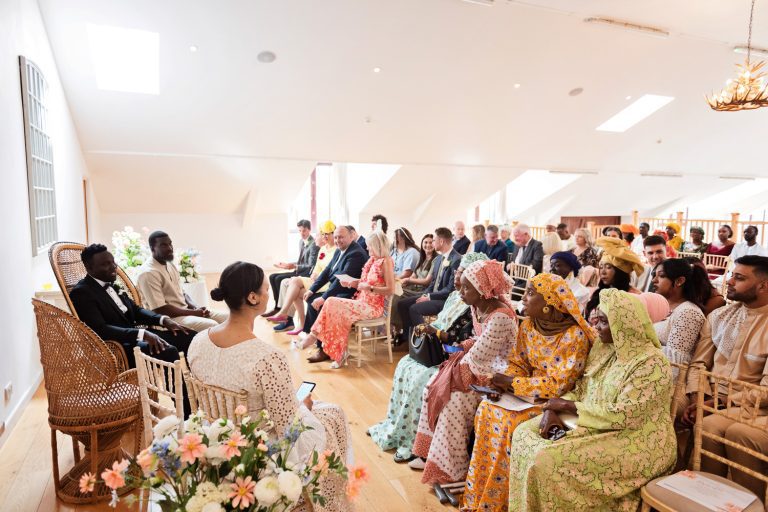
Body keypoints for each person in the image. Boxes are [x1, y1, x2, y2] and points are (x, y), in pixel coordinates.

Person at [187, 262, 352, 512]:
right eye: (266, 289)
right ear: (253, 297)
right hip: (258, 447)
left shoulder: (198, 341)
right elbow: (289, 426)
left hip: (215, 437)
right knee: (333, 414)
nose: (268, 294)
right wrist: (304, 406)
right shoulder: (266, 357)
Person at [509, 289, 675, 511]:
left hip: (635, 439)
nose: (596, 326)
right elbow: (581, 389)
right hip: (592, 423)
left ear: (623, 325)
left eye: (604, 322)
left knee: (546, 459)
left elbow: (627, 415)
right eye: (597, 319)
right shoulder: (604, 348)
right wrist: (551, 410)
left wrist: (568, 406)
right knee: (522, 434)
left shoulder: (651, 363)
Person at [463, 274, 593, 511]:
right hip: (524, 394)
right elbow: (518, 362)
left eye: (531, 292)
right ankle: (481, 497)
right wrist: (501, 385)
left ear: (549, 302)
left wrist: (512, 383)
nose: (523, 297)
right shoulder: (530, 325)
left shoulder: (574, 336)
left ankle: (502, 502)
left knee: (508, 422)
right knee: (485, 408)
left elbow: (558, 385)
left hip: (557, 403)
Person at [368, 252, 489, 463]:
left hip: (453, 356)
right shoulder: (455, 296)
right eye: (457, 271)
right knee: (405, 365)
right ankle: (395, 426)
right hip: (437, 348)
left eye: (460, 273)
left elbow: (462, 340)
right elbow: (442, 323)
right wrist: (430, 331)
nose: (455, 276)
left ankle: (415, 442)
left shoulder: (477, 305)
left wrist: (437, 334)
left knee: (421, 378)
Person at [411, 260, 517, 485]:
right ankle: (428, 452)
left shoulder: (500, 315)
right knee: (432, 386)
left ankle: (453, 468)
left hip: (497, 373)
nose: (461, 291)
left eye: (467, 287)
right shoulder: (478, 306)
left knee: (453, 401)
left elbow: (482, 359)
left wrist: (451, 377)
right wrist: (461, 349)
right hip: (478, 363)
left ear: (483, 289)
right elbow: (479, 343)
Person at [682, 256, 768, 499]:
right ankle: (709, 498)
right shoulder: (720, 316)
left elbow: (765, 391)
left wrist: (717, 403)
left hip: (752, 405)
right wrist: (697, 396)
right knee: (707, 424)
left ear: (763, 285)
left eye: (739, 278)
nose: (728, 281)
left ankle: (746, 503)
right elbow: (699, 363)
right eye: (732, 274)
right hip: (713, 398)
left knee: (722, 428)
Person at [70, 244, 194, 369]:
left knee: (190, 336)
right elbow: (101, 329)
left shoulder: (112, 283)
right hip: (118, 347)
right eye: (105, 264)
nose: (114, 267)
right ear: (89, 268)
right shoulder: (82, 293)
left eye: (113, 262)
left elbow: (136, 310)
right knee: (168, 350)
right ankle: (177, 389)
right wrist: (142, 334)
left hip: (137, 336)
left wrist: (163, 320)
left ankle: (198, 384)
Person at [305, 231, 395, 367]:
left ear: (377, 246)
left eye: (369, 246)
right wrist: (352, 283)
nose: (367, 248)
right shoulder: (372, 260)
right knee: (336, 309)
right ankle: (338, 353)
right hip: (362, 302)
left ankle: (315, 335)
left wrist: (369, 288)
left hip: (373, 307)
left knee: (331, 301)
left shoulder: (386, 262)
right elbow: (364, 282)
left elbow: (390, 289)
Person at [137, 231, 228, 332]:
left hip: (186, 312)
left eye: (170, 244)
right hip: (168, 320)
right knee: (212, 325)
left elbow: (183, 293)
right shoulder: (148, 273)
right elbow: (159, 309)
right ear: (152, 248)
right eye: (163, 245)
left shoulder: (170, 264)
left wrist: (196, 307)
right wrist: (193, 313)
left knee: (229, 317)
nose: (170, 248)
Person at [299, 226, 367, 361]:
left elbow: (340, 279)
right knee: (312, 298)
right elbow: (326, 272)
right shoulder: (339, 250)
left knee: (321, 303)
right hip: (337, 290)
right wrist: (312, 289)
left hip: (349, 293)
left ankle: (324, 349)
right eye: (335, 237)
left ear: (351, 236)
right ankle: (316, 340)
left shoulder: (356, 253)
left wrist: (324, 297)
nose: (337, 240)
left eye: (341, 237)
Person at [651, 259, 708, 413]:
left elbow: (676, 366)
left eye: (661, 276)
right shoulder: (659, 306)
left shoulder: (688, 312)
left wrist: (642, 347)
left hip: (672, 387)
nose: (654, 280)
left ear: (679, 281)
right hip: (649, 374)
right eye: (654, 275)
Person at [268, 221, 337, 333]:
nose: (325, 236)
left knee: (295, 286)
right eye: (323, 233)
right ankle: (299, 323)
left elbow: (330, 271)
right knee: (295, 288)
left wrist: (317, 276)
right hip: (316, 280)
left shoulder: (337, 250)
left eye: (328, 233)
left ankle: (285, 314)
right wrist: (314, 274)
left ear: (334, 234)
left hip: (325, 283)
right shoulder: (323, 249)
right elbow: (317, 266)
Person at [396, 228, 462, 344]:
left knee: (414, 309)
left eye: (434, 240)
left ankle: (426, 342)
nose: (432, 243)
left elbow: (450, 290)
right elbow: (432, 283)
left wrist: (429, 297)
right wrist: (426, 294)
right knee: (402, 304)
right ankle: (409, 338)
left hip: (445, 300)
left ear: (441, 241)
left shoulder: (456, 259)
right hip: (433, 295)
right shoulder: (438, 259)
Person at [262, 220, 316, 318]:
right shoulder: (301, 242)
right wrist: (288, 264)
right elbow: (301, 261)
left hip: (305, 274)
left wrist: (294, 266)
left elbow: (311, 265)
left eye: (304, 230)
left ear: (309, 230)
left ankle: (282, 310)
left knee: (278, 279)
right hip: (298, 270)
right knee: (273, 276)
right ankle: (277, 307)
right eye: (299, 231)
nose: (301, 233)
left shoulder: (314, 244)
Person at [584, 237, 644, 324]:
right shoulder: (597, 293)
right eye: (601, 267)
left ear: (620, 271)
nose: (603, 272)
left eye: (608, 267)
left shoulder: (634, 296)